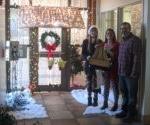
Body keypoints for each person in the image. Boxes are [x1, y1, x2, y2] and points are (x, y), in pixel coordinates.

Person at [115, 22, 142, 121]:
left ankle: (131, 114)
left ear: (130, 29)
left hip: (131, 74)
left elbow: (136, 58)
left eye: (125, 28)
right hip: (121, 72)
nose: (123, 30)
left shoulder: (135, 40)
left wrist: (134, 72)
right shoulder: (122, 41)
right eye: (122, 28)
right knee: (124, 93)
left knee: (132, 95)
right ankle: (124, 111)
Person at [82, 25, 103, 106]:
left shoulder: (100, 41)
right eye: (92, 31)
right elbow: (83, 53)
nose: (93, 32)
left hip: (97, 65)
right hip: (89, 65)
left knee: (97, 82)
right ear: (89, 32)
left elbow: (102, 53)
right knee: (89, 81)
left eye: (95, 31)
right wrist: (87, 57)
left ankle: (95, 98)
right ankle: (89, 98)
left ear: (97, 32)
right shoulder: (85, 41)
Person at [101, 28, 119, 111]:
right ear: (105, 35)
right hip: (105, 68)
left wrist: (108, 50)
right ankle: (105, 103)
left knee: (114, 86)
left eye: (111, 33)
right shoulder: (103, 44)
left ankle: (115, 104)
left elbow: (116, 56)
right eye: (107, 33)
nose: (109, 34)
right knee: (106, 87)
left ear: (113, 35)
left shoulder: (117, 44)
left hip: (114, 68)